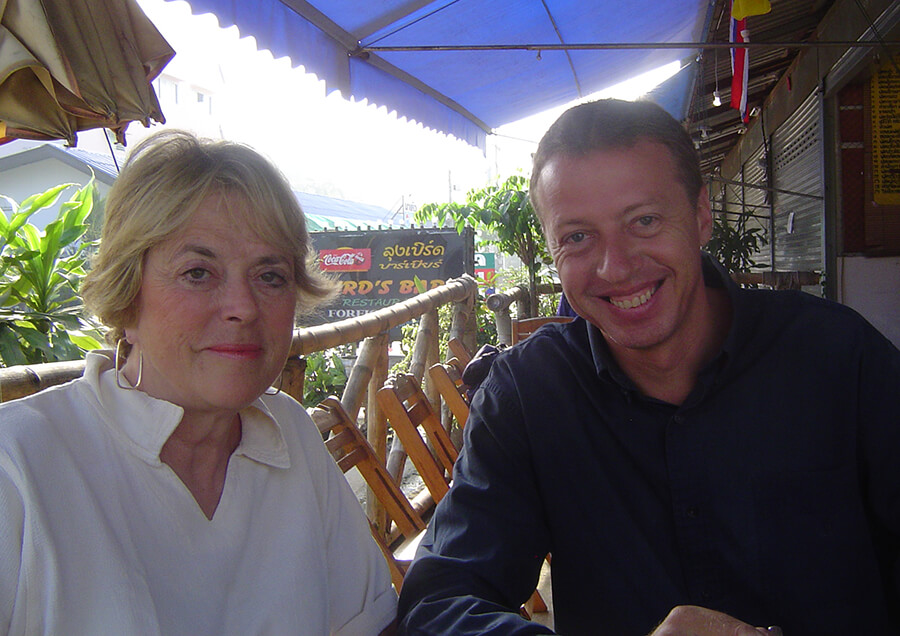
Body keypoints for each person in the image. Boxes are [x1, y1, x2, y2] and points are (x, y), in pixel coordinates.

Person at [397, 99, 900, 635]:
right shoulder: (530, 395)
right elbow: (439, 601)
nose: (615, 266)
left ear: (702, 216)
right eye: (578, 237)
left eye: (644, 220)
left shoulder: (836, 356)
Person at [0, 130, 397, 635]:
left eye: (270, 276)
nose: (243, 308)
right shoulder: (18, 464)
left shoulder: (290, 435)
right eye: (198, 272)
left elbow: (369, 623)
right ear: (127, 292)